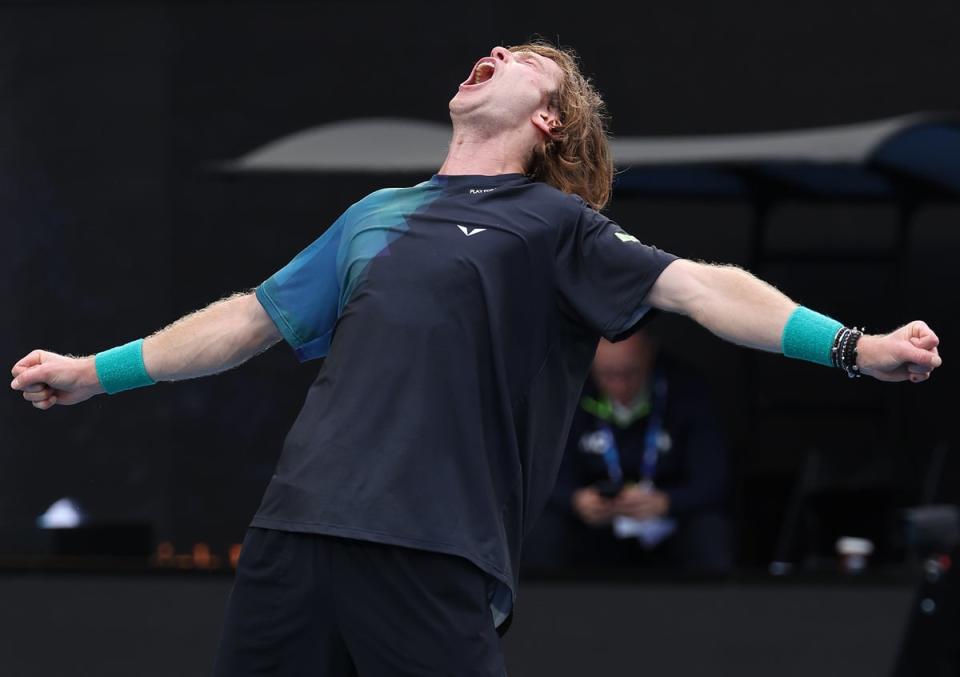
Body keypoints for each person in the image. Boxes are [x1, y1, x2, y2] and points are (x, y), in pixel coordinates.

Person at [9, 41, 942, 676]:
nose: (491, 54)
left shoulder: (556, 225)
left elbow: (701, 287)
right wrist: (93, 372)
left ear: (548, 122)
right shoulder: (372, 213)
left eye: (521, 62)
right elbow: (246, 320)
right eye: (490, 50)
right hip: (293, 540)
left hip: (433, 552)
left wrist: (852, 347)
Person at [523, 331, 734, 577]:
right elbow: (536, 477)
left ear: (650, 356)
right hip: (593, 523)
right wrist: (575, 500)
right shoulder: (568, 393)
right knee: (543, 530)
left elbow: (715, 480)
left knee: (710, 531)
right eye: (608, 374)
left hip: (666, 519)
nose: (620, 384)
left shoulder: (688, 390)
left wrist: (667, 502)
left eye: (630, 372)